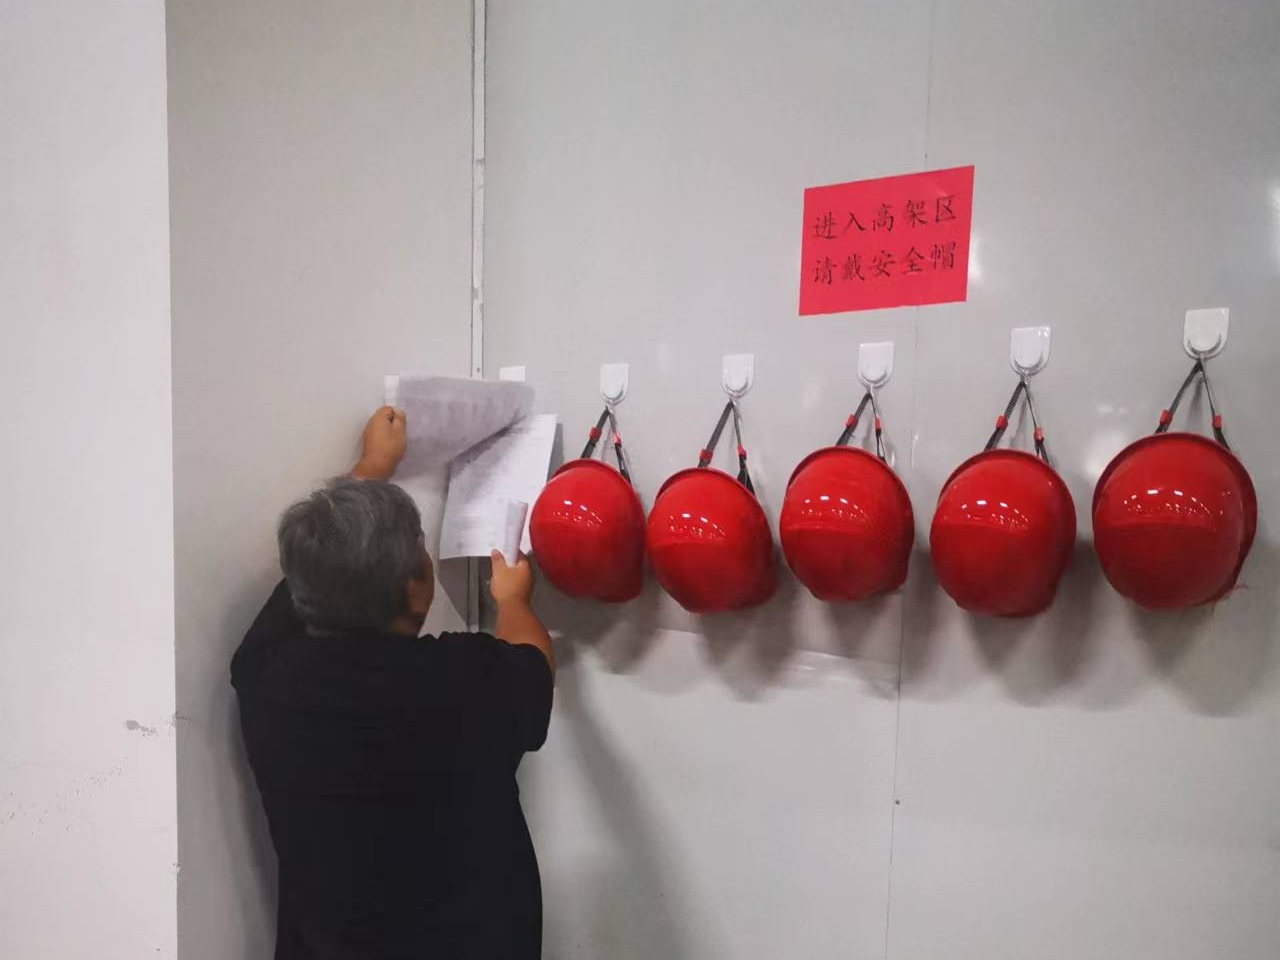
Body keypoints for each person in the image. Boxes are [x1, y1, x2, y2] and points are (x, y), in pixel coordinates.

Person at [231, 406, 555, 960]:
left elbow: (310, 574)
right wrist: (512, 600)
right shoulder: (458, 682)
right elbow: (533, 665)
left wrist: (371, 467)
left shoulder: (265, 675)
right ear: (413, 588)